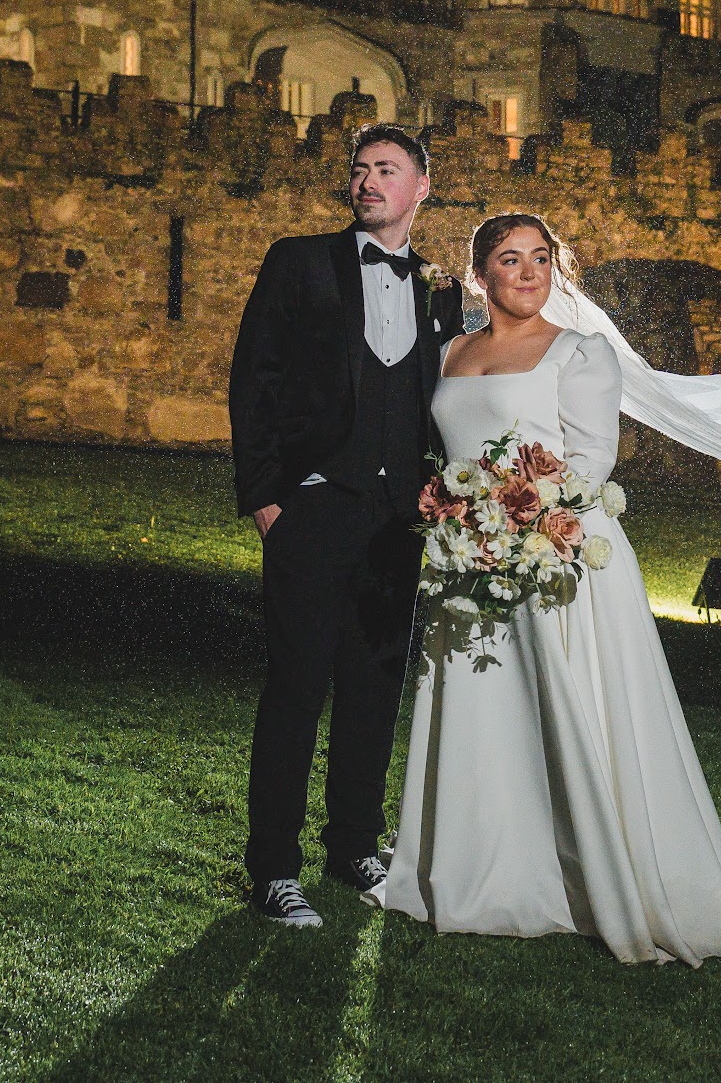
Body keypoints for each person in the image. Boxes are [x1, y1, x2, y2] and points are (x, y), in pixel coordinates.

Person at [375, 213, 721, 965]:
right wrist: (462, 522)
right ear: (480, 275)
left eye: (541, 258)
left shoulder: (579, 353)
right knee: (483, 712)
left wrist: (519, 526)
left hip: (555, 559)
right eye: (509, 259)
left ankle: (593, 875)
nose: (528, 272)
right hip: (467, 560)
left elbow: (590, 463)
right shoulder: (449, 352)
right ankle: (482, 867)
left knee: (574, 708)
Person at [226, 123, 464, 930]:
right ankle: (273, 870)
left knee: (374, 687)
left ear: (420, 188)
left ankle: (355, 844)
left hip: (399, 523)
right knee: (296, 688)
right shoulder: (299, 262)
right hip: (313, 508)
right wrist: (268, 499)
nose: (367, 181)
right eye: (360, 169)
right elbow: (254, 376)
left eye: (386, 170)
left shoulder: (439, 292)